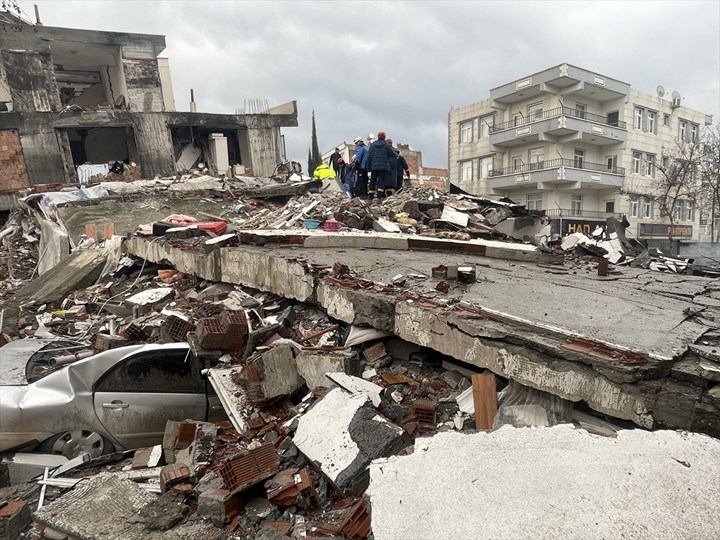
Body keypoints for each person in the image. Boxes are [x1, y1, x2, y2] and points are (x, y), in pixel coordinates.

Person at [367, 131, 396, 201]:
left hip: (374, 167)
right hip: (383, 168)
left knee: (373, 181)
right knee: (381, 181)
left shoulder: (372, 145)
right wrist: (397, 155)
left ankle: (370, 197)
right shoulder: (386, 145)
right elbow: (392, 154)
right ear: (384, 137)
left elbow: (369, 156)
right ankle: (379, 197)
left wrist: (368, 167)